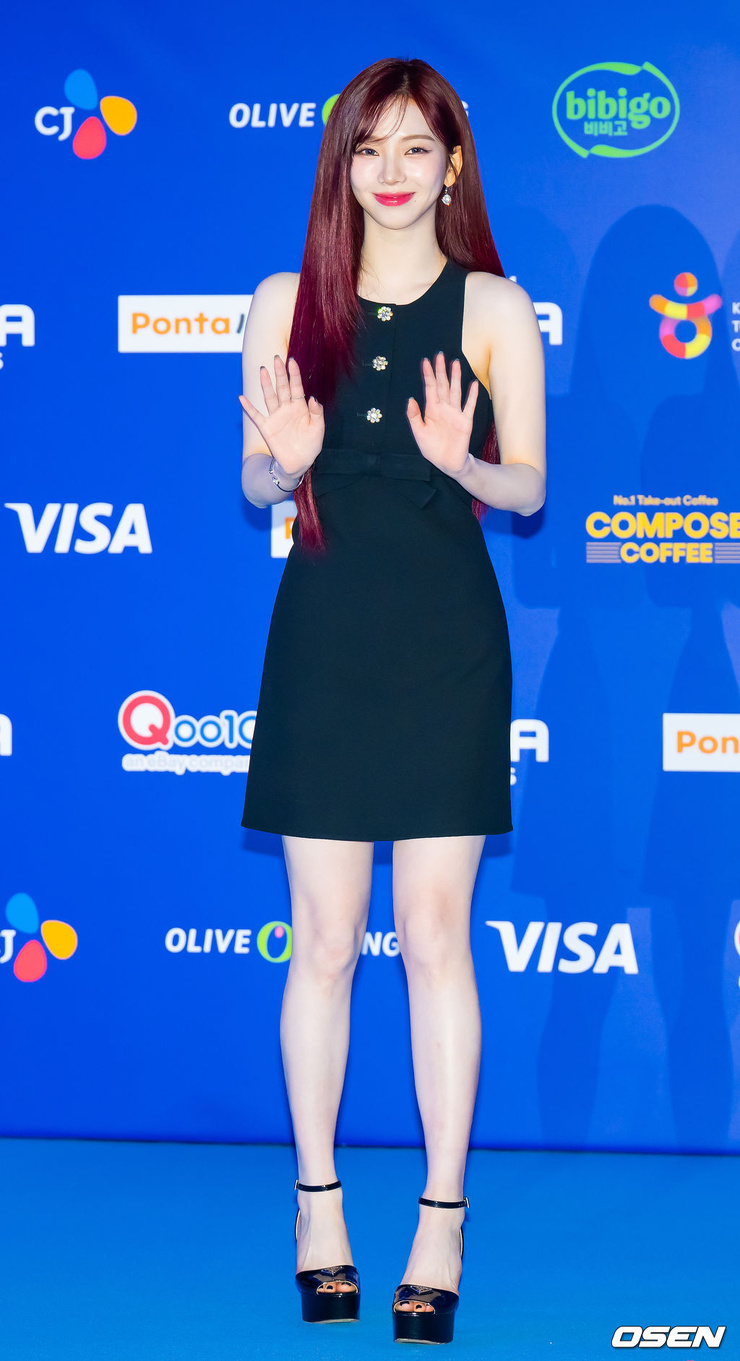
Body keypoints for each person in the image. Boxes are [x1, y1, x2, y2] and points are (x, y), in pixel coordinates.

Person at [238, 57, 546, 1345]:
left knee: (434, 939)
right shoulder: (284, 301)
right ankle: (317, 1209)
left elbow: (528, 488)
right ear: (343, 166)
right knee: (321, 941)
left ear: (453, 166)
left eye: (420, 148)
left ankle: (441, 1218)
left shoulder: (496, 306)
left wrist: (462, 459)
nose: (394, 172)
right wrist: (286, 461)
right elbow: (256, 481)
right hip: (324, 643)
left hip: (445, 650)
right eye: (371, 149)